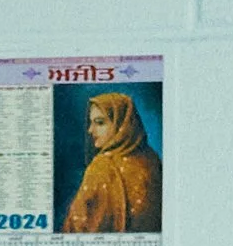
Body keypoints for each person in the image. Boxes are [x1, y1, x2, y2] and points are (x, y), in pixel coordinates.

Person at [59, 90, 162, 234]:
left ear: (122, 124)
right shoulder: (152, 159)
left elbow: (78, 228)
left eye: (100, 123)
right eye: (90, 123)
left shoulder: (103, 166)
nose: (90, 130)